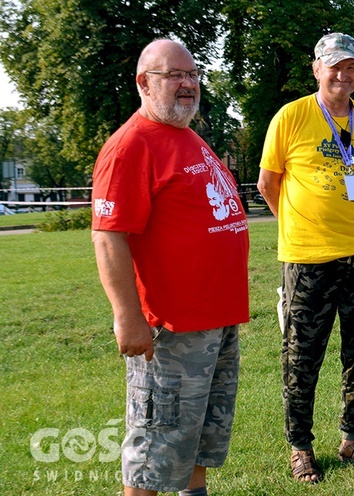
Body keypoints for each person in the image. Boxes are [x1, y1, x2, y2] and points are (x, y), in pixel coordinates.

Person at [91, 39, 249, 496]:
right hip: (169, 330)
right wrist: (126, 315)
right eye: (174, 75)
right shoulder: (131, 146)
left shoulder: (187, 137)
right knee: (154, 452)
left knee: (196, 441)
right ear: (144, 82)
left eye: (193, 75)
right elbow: (108, 234)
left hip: (214, 321)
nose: (188, 84)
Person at [257, 33, 354, 483]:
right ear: (317, 69)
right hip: (309, 258)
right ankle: (300, 447)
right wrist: (299, 226)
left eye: (350, 66)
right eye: (334, 65)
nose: (342, 74)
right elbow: (267, 184)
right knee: (302, 355)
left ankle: (352, 438)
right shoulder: (291, 117)